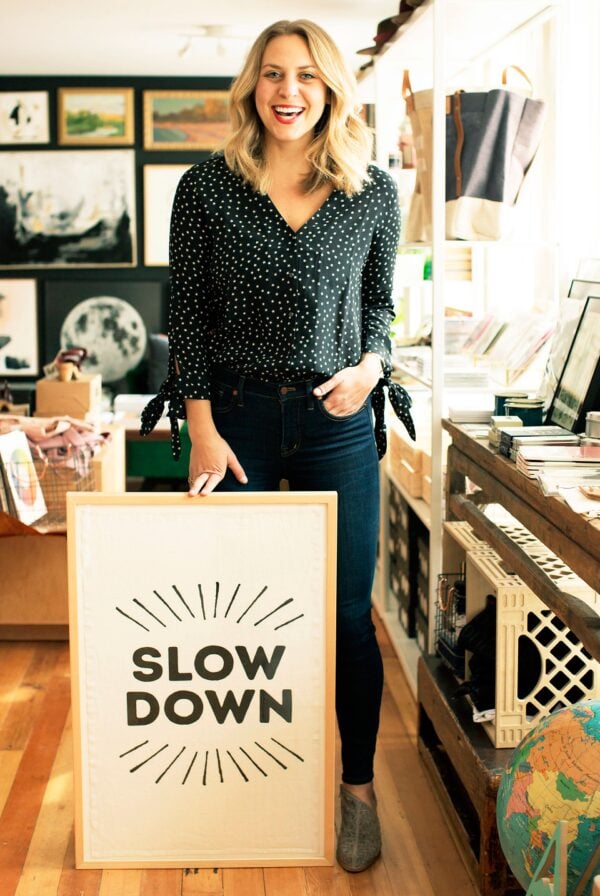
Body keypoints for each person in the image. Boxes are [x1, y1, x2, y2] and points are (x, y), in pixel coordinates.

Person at [141, 18, 414, 874]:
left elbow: (380, 309)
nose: (287, 91)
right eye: (271, 74)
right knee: (238, 612)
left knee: (343, 620)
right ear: (250, 88)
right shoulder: (206, 188)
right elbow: (185, 316)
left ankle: (357, 790)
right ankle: (243, 789)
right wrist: (200, 430)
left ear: (331, 88)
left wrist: (371, 367)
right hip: (238, 421)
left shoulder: (371, 191)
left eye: (304, 75)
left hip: (338, 427)